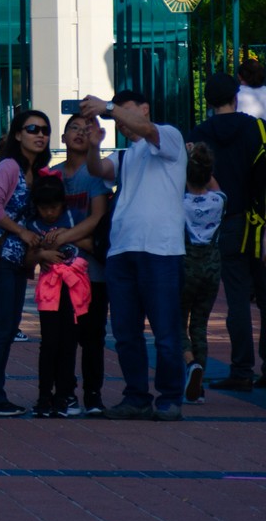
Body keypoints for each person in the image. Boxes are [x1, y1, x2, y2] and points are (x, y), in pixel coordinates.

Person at [78, 90, 188, 419]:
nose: (119, 122)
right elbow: (97, 169)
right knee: (126, 332)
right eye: (116, 117)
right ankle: (136, 396)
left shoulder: (169, 135)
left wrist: (109, 108)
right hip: (122, 250)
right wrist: (95, 143)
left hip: (161, 249)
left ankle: (170, 397)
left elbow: (149, 131)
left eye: (126, 114)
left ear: (144, 109)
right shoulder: (127, 155)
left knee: (166, 331)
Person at [0, 109, 53, 414]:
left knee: (6, 325)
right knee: (2, 326)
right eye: (32, 129)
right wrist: (21, 232)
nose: (40, 135)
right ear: (18, 134)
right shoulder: (9, 167)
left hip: (17, 261)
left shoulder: (39, 174)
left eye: (45, 130)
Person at [190, 73, 266, 392]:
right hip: (258, 221)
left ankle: (241, 369)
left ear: (207, 100)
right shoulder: (255, 127)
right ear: (236, 96)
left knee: (236, 299)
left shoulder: (199, 133)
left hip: (224, 221)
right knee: (264, 297)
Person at [49, 111, 113, 414]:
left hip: (93, 271)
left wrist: (66, 236)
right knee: (63, 337)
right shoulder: (53, 175)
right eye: (73, 128)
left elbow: (98, 217)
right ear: (63, 137)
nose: (79, 133)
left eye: (87, 129)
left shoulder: (96, 176)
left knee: (93, 336)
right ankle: (65, 393)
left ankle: (93, 395)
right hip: (60, 270)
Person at [27, 170, 93, 418]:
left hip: (74, 288)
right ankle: (44, 396)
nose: (49, 213)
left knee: (69, 344)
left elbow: (90, 241)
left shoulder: (73, 218)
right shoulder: (32, 225)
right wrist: (43, 250)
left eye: (54, 208)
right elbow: (28, 258)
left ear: (62, 204)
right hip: (50, 290)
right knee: (49, 344)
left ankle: (64, 396)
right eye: (45, 208)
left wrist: (64, 236)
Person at [181, 142, 224, 405]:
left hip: (186, 265)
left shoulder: (180, 202)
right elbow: (214, 184)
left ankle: (190, 364)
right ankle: (200, 387)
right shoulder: (219, 200)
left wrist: (185, 158)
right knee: (200, 324)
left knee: (176, 322)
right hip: (212, 266)